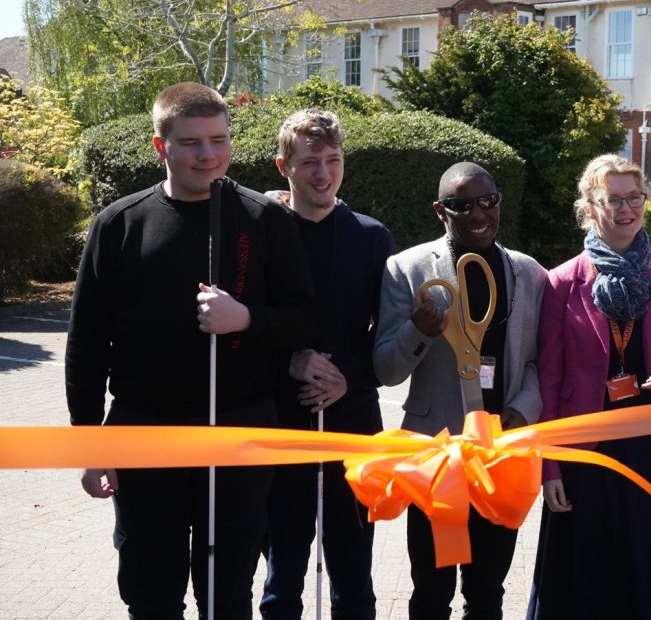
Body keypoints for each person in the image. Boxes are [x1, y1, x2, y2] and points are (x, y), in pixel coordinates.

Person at [65, 82, 320, 619]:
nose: (208, 155)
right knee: (149, 590)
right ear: (161, 147)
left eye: (218, 139)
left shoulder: (264, 219)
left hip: (241, 429)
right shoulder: (119, 225)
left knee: (227, 591)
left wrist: (245, 318)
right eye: (190, 143)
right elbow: (86, 345)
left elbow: (303, 319)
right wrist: (89, 446)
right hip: (144, 430)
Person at [527, 154, 651, 620]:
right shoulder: (563, 281)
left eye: (634, 198)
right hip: (589, 451)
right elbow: (550, 379)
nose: (626, 210)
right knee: (588, 582)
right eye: (613, 200)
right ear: (590, 207)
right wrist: (551, 468)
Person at [373, 161, 546, 620]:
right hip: (437, 455)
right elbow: (385, 370)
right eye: (461, 205)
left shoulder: (530, 274)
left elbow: (538, 363)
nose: (478, 213)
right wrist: (417, 331)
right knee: (431, 592)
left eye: (488, 201)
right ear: (440, 210)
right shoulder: (406, 269)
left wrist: (524, 411)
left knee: (488, 591)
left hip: (502, 455)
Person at [260, 109, 396, 620]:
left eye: (333, 160)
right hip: (281, 423)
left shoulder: (372, 236)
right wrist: (290, 362)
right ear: (283, 167)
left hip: (354, 423)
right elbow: (250, 327)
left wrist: (349, 378)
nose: (323, 173)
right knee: (281, 580)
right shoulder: (264, 231)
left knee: (354, 579)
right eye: (310, 161)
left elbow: (386, 334)